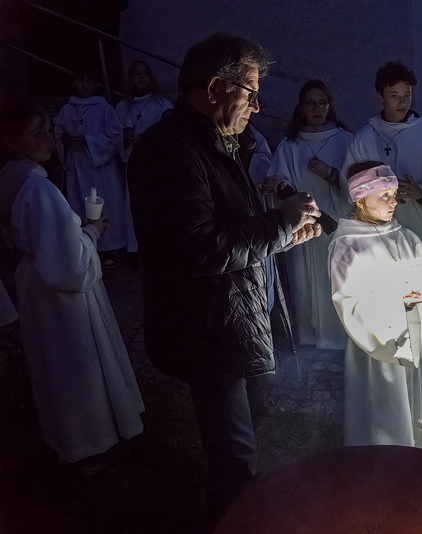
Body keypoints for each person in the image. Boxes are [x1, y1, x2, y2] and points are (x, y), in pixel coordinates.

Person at [127, 33, 322, 527]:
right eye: (250, 92)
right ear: (216, 87)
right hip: (206, 329)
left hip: (231, 316)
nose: (257, 106)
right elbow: (199, 247)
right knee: (234, 456)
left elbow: (235, 226)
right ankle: (233, 520)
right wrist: (279, 224)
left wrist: (284, 234)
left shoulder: (217, 140)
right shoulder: (168, 150)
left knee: (245, 428)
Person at [0, 101, 144, 475]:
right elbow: (71, 267)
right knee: (76, 365)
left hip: (36, 283)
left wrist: (73, 228)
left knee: (54, 364)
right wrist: (91, 232)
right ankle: (91, 443)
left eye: (50, 131)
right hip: (59, 298)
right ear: (12, 141)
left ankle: (68, 438)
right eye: (37, 134)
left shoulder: (12, 177)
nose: (49, 139)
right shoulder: (37, 188)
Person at [329, 161, 422, 459]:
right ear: (360, 199)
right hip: (383, 347)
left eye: (394, 194)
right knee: (387, 411)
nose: (393, 202)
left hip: (420, 339)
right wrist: (399, 301)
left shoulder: (405, 236)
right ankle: (387, 469)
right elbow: (349, 302)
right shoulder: (348, 246)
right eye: (384, 196)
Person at [268, 80, 353, 350]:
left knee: (335, 280)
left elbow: (356, 185)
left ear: (329, 106)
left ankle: (338, 338)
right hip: (302, 227)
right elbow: (278, 181)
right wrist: (279, 185)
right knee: (303, 283)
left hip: (335, 224)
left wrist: (331, 174)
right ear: (301, 108)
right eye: (310, 103)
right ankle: (308, 337)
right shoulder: (289, 146)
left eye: (321, 103)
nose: (316, 108)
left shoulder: (345, 141)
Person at [341, 62, 422, 260]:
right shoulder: (365, 138)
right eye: (394, 96)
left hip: (420, 230)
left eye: (407, 95)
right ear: (380, 97)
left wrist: (420, 192)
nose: (402, 102)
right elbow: (350, 186)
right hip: (377, 234)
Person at [56, 67, 127, 265]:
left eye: (88, 80)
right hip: (77, 165)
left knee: (108, 202)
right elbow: (56, 135)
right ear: (73, 83)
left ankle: (112, 247)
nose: (84, 85)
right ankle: (87, 246)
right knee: (80, 202)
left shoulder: (103, 108)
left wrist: (87, 140)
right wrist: (65, 141)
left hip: (101, 167)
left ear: (95, 84)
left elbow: (115, 136)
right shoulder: (67, 109)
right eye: (80, 80)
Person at [116, 61, 173, 253]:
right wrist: (126, 137)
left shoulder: (162, 103)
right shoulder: (124, 106)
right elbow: (115, 134)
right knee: (136, 205)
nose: (141, 77)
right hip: (134, 162)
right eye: (136, 73)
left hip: (156, 162)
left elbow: (169, 131)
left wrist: (147, 138)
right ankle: (137, 248)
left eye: (144, 73)